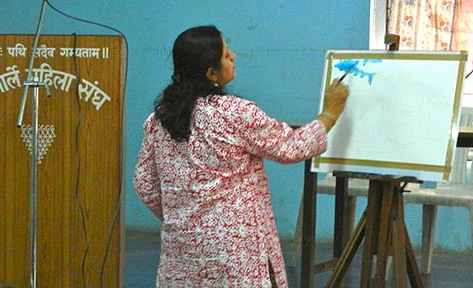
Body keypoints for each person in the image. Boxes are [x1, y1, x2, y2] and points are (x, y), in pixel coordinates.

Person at [133, 25, 348, 287]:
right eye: (226, 54)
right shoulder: (236, 113)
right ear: (211, 73)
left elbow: (144, 185)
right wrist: (330, 114)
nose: (233, 55)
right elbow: (291, 147)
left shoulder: (158, 120)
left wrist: (181, 216)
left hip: (182, 249)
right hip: (234, 252)